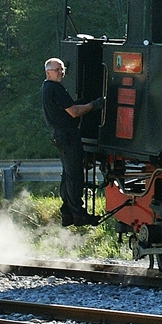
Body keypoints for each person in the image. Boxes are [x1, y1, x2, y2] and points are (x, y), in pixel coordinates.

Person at [41, 57, 104, 227]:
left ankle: (67, 212)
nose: (61, 73)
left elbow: (69, 107)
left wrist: (82, 102)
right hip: (68, 136)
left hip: (59, 135)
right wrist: (94, 104)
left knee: (68, 175)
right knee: (75, 176)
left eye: (62, 69)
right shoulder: (56, 89)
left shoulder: (46, 88)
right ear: (48, 72)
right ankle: (79, 214)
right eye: (57, 70)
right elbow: (74, 112)